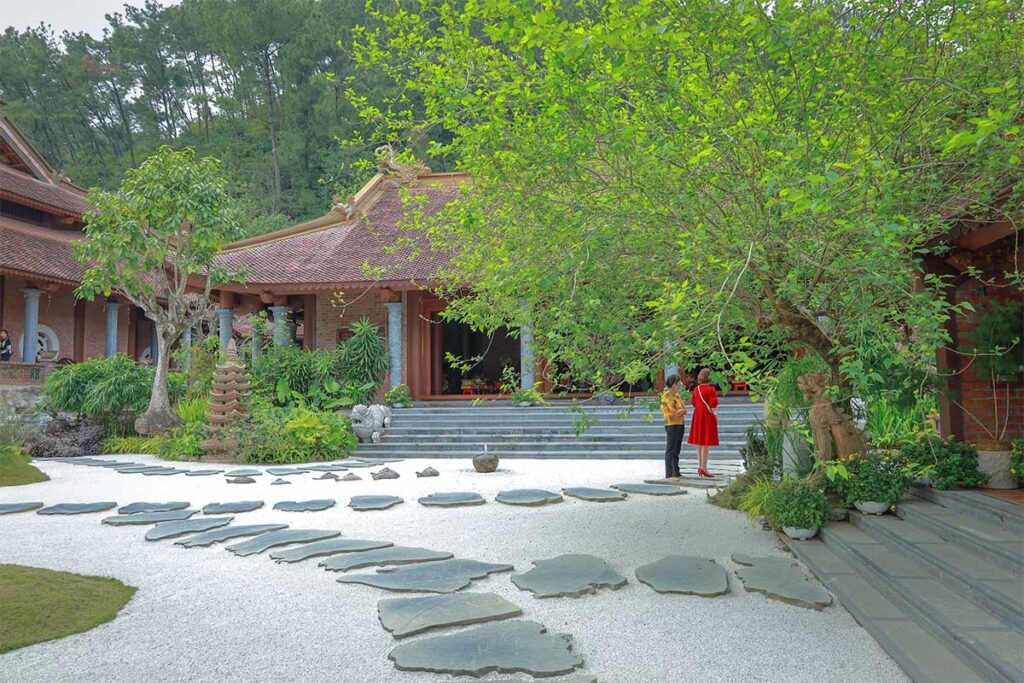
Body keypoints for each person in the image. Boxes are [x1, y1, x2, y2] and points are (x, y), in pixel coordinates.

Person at [688, 367, 719, 478]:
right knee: (706, 442)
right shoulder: (711, 389)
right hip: (707, 415)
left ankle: (700, 466)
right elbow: (713, 403)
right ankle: (704, 468)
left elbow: (693, 402)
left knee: (700, 443)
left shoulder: (696, 389)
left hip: (697, 415)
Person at [660, 374, 687, 479]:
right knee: (670, 449)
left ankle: (676, 471)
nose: (679, 384)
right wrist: (680, 412)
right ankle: (669, 473)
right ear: (673, 384)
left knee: (677, 449)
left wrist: (681, 411)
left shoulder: (678, 396)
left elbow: (684, 410)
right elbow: (672, 411)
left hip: (680, 423)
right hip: (671, 424)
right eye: (677, 383)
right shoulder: (666, 396)